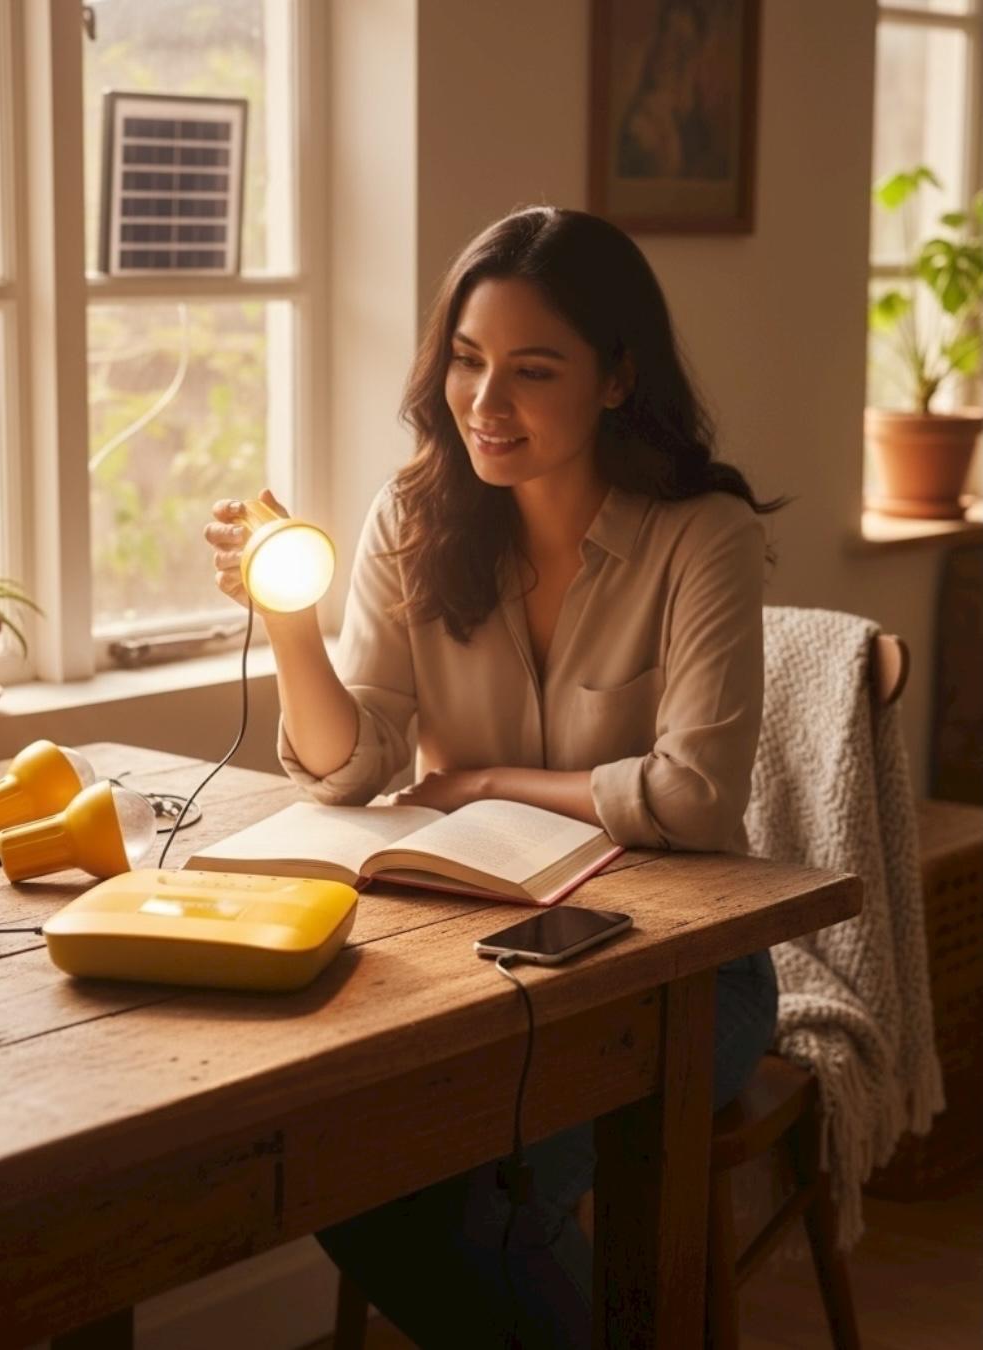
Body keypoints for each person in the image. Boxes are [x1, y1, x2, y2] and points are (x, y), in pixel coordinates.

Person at [206, 206, 781, 1349]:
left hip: (687, 977)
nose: (485, 402)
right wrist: (291, 624)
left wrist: (482, 783)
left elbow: (693, 798)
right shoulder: (414, 517)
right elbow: (353, 766)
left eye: (532, 369)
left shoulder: (702, 533)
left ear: (617, 380)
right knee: (354, 1182)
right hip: (489, 958)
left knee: (480, 1212)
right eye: (467, 362)